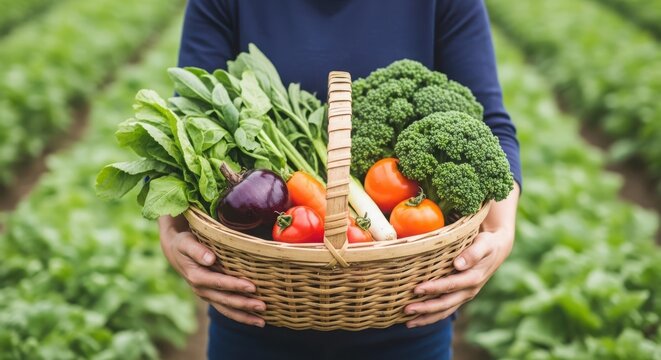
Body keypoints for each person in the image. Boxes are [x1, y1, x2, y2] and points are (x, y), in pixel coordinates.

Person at [159, 0, 521, 359]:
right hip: (253, 315)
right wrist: (172, 235)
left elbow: (494, 126)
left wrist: (502, 232)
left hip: (410, 318)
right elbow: (184, 122)